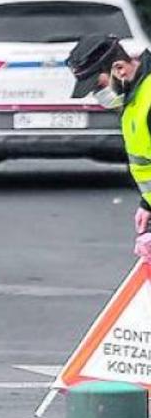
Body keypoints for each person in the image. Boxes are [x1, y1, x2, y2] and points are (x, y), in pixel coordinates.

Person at [68, 34, 151, 261]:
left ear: (120, 68)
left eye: (98, 85)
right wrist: (147, 204)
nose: (98, 95)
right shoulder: (136, 99)